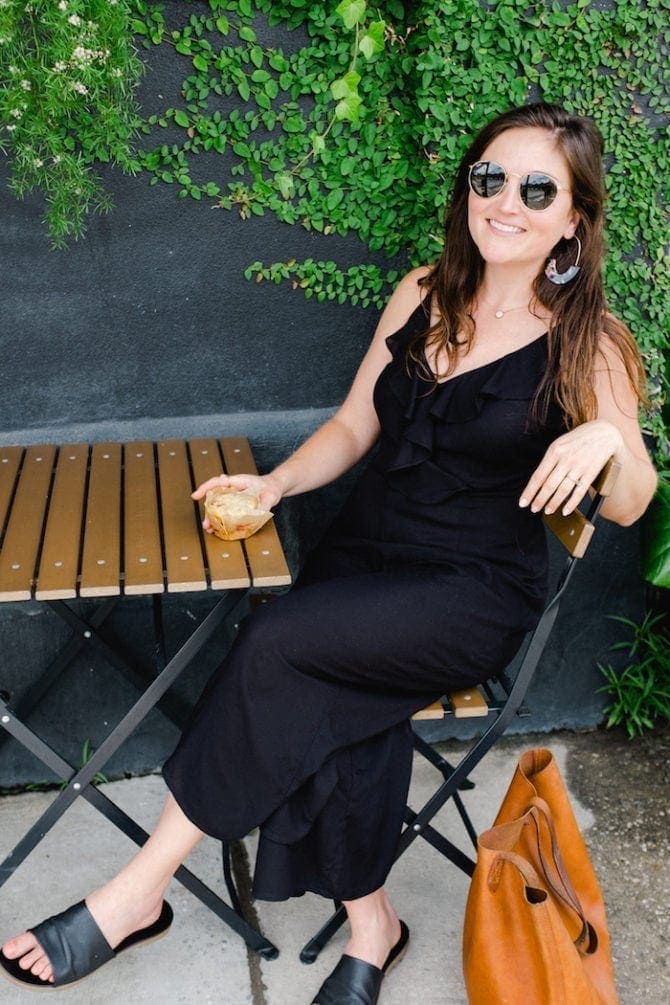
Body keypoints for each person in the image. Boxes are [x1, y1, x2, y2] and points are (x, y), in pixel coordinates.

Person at [0, 102, 657, 1004]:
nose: (506, 200)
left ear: (575, 215)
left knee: (282, 646)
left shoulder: (592, 343)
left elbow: (629, 504)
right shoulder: (424, 292)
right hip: (366, 555)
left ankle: (134, 892)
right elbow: (354, 425)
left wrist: (608, 445)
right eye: (490, 178)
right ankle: (372, 928)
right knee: (339, 700)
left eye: (537, 187)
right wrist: (276, 488)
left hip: (471, 592)